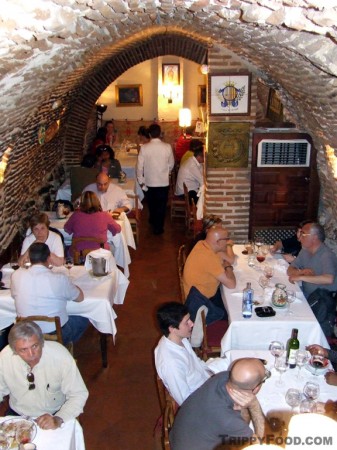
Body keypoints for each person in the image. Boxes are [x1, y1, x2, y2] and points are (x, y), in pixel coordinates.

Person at [0, 321, 88, 429]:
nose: (31, 355)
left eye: (35, 346)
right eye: (23, 350)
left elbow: (79, 394)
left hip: (54, 415)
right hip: (18, 415)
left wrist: (59, 418)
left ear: (42, 342)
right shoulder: (5, 357)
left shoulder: (60, 355)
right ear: (14, 350)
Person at [169, 358, 267, 450]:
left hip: (183, 437)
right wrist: (254, 405)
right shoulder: (228, 419)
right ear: (256, 388)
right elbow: (260, 444)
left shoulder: (222, 377)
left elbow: (239, 422)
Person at [12, 243, 89, 345]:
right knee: (83, 319)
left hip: (26, 332)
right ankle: (59, 348)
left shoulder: (16, 275)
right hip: (55, 333)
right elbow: (80, 298)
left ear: (30, 259)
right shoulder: (59, 278)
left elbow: (14, 295)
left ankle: (42, 349)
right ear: (48, 258)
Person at [154, 302, 211, 406]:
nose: (192, 323)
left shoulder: (180, 339)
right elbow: (185, 400)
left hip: (205, 383)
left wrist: (212, 375)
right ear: (172, 329)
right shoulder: (171, 363)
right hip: (199, 400)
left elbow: (196, 362)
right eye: (186, 322)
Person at [287, 222, 337, 336]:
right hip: (305, 295)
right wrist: (301, 271)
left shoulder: (326, 255)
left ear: (314, 237)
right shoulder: (305, 251)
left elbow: (329, 279)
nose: (299, 237)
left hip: (321, 302)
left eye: (303, 234)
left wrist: (301, 276)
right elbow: (290, 269)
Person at [183, 226, 236, 322]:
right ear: (218, 242)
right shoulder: (207, 257)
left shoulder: (203, 245)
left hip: (198, 295)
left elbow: (228, 259)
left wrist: (226, 262)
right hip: (201, 304)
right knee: (235, 311)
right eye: (227, 239)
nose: (229, 241)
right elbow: (231, 284)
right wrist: (228, 267)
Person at [137, 123, 175, 235]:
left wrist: (141, 181)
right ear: (159, 134)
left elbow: (139, 167)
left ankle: (153, 221)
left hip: (149, 182)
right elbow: (171, 164)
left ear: (149, 134)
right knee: (162, 205)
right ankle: (159, 227)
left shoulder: (144, 148)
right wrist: (165, 171)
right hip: (163, 182)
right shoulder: (167, 147)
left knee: (152, 204)